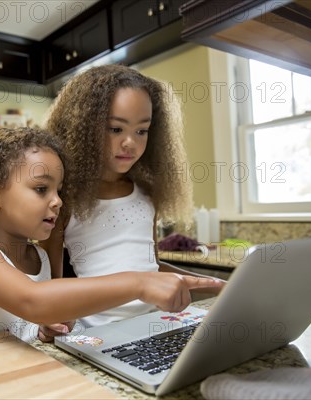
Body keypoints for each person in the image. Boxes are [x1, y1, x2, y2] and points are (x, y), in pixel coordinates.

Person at [0, 127, 222, 343]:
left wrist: (44, 331)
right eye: (41, 189)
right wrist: (139, 282)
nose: (58, 201)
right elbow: (33, 301)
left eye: (59, 191)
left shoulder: (38, 256)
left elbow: (32, 324)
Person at [42, 64, 224, 328]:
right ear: (83, 128)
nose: (131, 142)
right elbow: (52, 284)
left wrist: (220, 286)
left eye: (142, 130)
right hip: (97, 333)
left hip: (156, 324)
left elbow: (152, 268)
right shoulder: (63, 200)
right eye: (116, 129)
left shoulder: (147, 193)